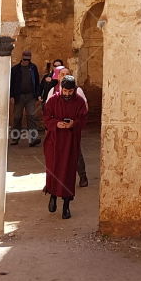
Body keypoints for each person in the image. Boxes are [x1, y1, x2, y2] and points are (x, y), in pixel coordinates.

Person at [42, 75, 88, 218]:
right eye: (65, 91)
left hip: (70, 143)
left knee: (68, 172)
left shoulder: (79, 102)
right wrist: (56, 123)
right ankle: (53, 196)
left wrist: (73, 124)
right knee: (53, 170)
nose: (67, 94)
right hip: (54, 142)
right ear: (61, 89)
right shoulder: (53, 101)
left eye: (70, 91)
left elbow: (83, 119)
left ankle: (66, 206)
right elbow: (46, 117)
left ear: (74, 90)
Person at [9, 51, 41, 147]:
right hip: (19, 96)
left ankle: (33, 138)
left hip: (30, 96)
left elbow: (37, 81)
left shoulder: (33, 68)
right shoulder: (15, 69)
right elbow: (11, 83)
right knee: (17, 117)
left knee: (31, 116)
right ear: (22, 58)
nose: (26, 61)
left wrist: (37, 95)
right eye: (25, 59)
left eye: (28, 59)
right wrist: (12, 96)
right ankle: (15, 138)